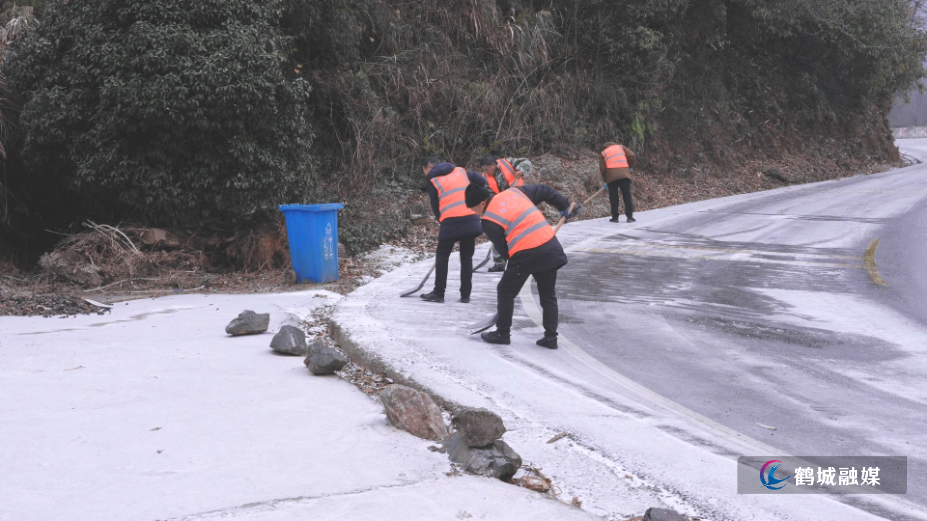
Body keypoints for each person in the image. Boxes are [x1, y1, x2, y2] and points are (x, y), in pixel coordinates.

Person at [464, 182, 580, 349]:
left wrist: (517, 269)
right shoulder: (516, 192)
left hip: (525, 255)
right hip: (549, 247)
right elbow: (544, 190)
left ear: (482, 203)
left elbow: (505, 250)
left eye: (475, 209)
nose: (476, 213)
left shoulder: (489, 220)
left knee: (505, 291)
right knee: (548, 296)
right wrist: (563, 205)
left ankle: (502, 333)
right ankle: (550, 338)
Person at [420, 157, 489, 304]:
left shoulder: (433, 179)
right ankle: (465, 295)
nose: (426, 174)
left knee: (442, 256)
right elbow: (482, 182)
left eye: (425, 171)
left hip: (450, 220)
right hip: (471, 218)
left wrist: (442, 220)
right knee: (466, 258)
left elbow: (435, 204)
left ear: (430, 167)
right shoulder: (461, 171)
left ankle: (439, 292)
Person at [479, 155, 534, 271]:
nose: (485, 171)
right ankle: (499, 263)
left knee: (519, 233)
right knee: (498, 232)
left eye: (486, 168)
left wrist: (520, 170)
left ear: (493, 165)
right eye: (483, 169)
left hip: (519, 200)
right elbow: (488, 194)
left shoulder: (508, 162)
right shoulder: (484, 177)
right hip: (502, 206)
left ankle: (524, 260)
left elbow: (526, 161)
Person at [599, 142, 636, 223]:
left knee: (613, 197)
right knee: (627, 195)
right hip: (624, 174)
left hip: (611, 176)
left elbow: (602, 169)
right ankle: (630, 217)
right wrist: (629, 167)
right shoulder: (621, 147)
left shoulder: (603, 153)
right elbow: (632, 155)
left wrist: (606, 180)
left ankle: (615, 217)